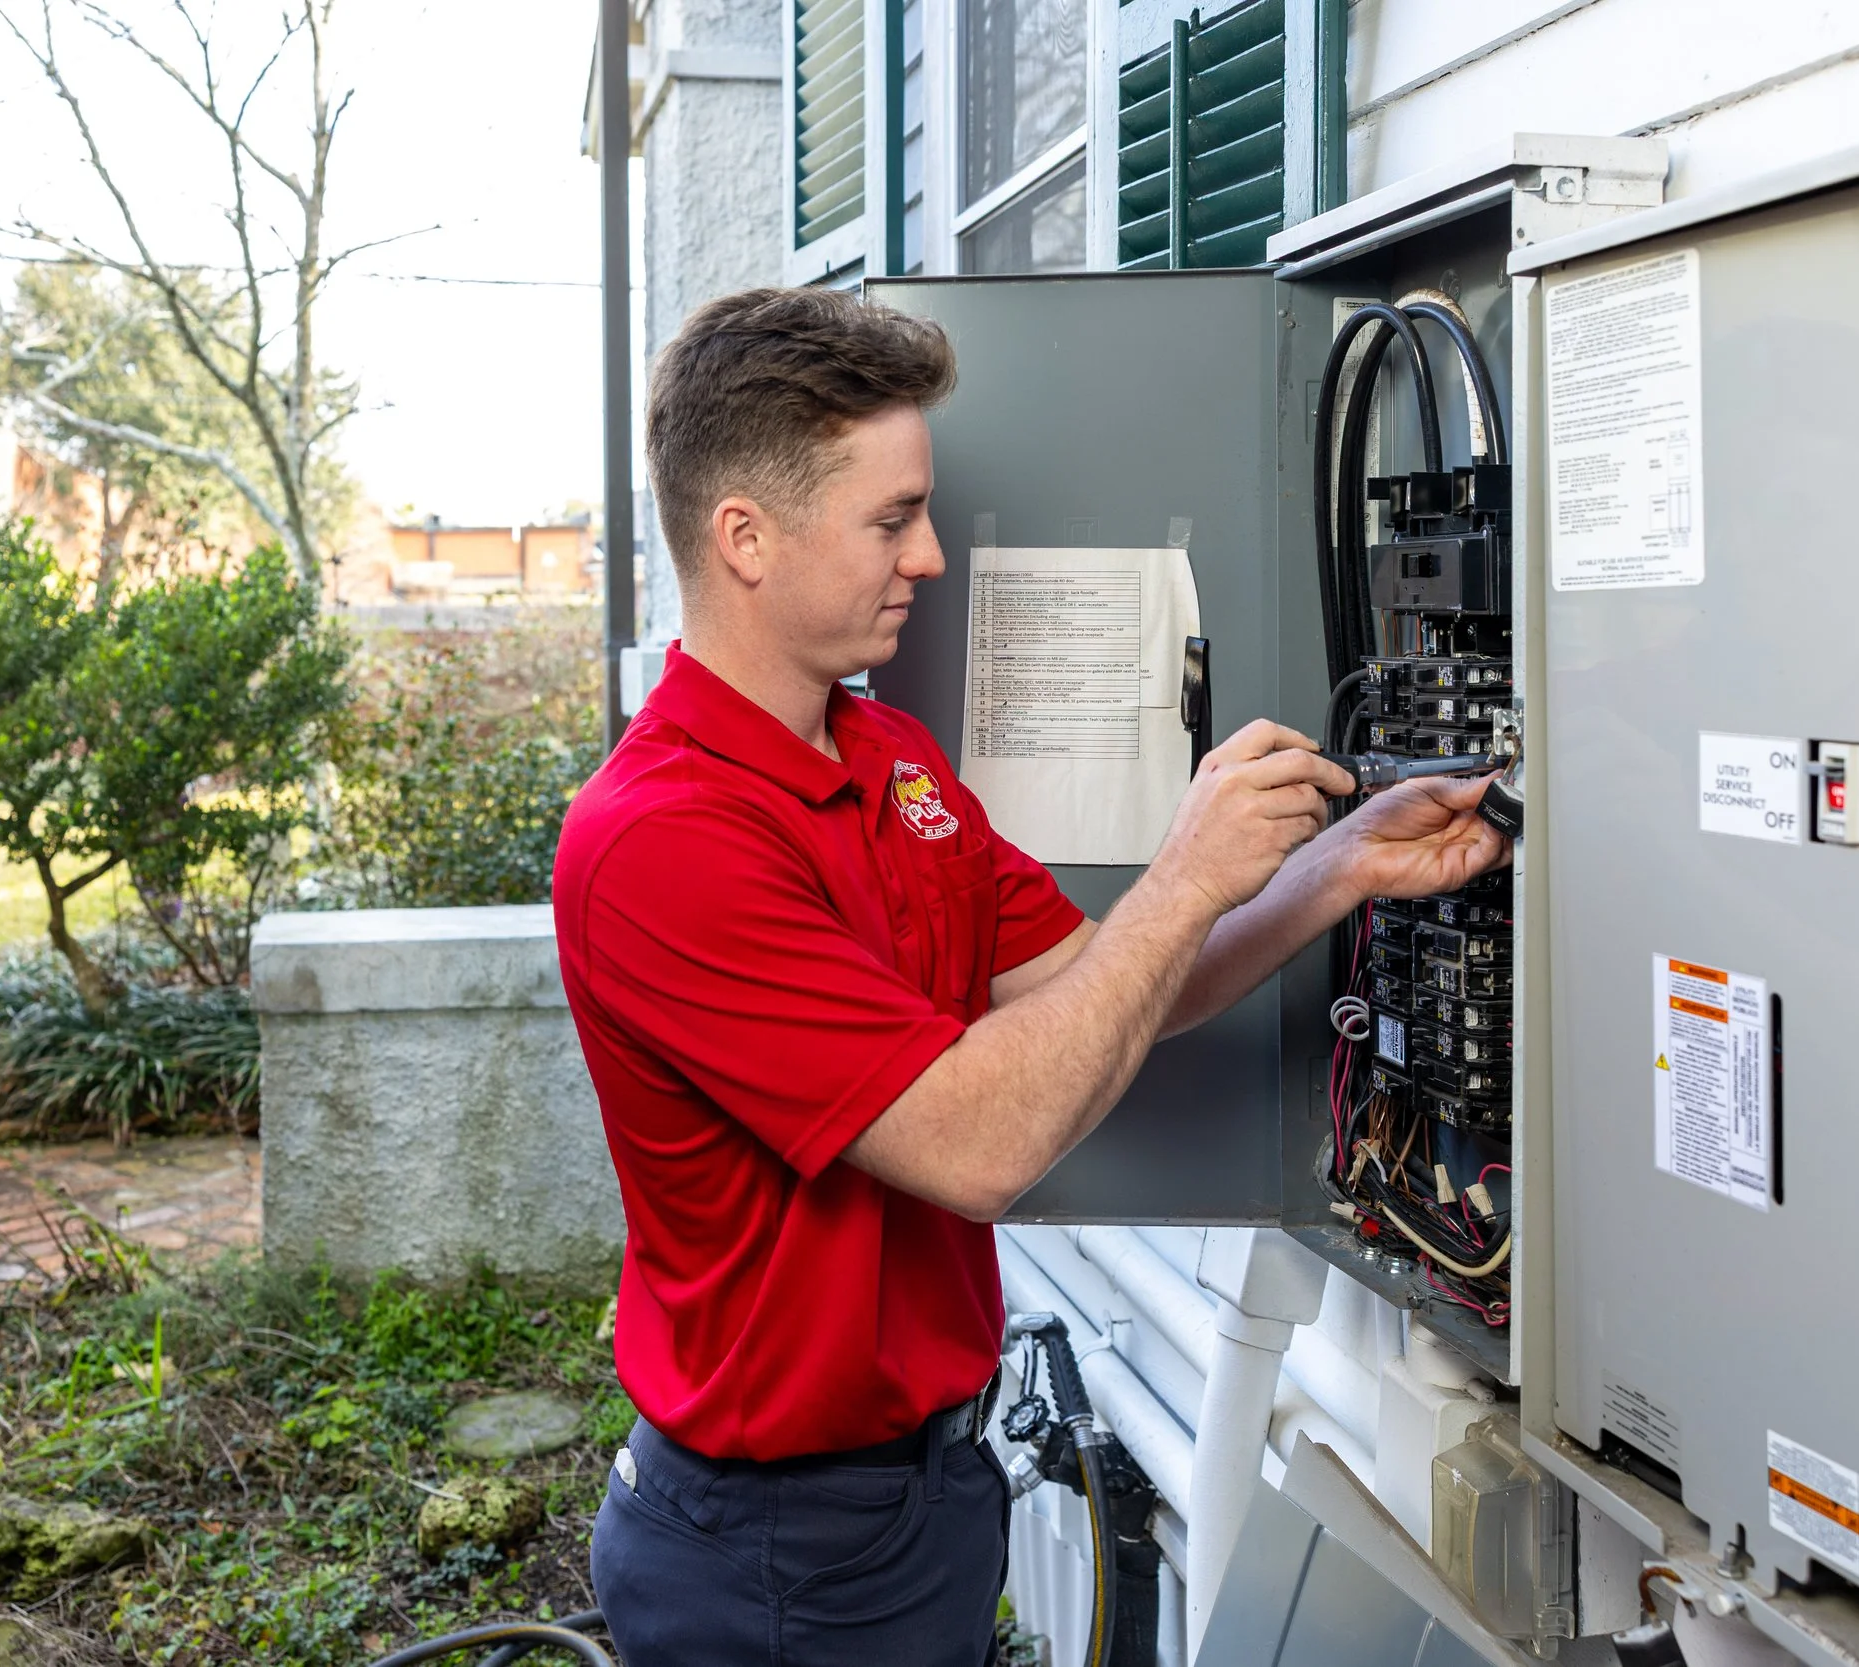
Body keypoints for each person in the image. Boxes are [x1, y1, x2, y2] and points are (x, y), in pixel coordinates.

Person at [551, 286, 1506, 1666]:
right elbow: (980, 1143)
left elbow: (1109, 982)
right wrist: (1183, 869)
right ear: (744, 538)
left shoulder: (889, 763)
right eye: (892, 518)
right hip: (774, 1553)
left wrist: (1338, 867)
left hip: (924, 1493)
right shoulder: (663, 843)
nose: (931, 556)